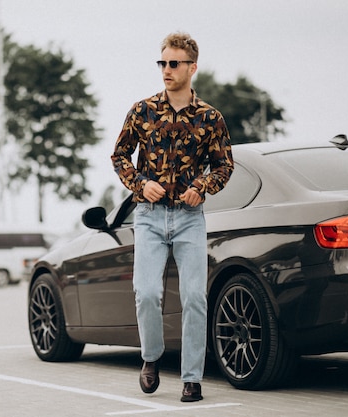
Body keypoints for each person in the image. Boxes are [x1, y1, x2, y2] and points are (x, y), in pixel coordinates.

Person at [111, 32, 233, 402]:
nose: (166, 69)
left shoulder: (210, 117)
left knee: (194, 296)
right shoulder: (142, 110)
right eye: (162, 62)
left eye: (174, 63)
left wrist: (204, 186)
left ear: (192, 67)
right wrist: (140, 183)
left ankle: (192, 378)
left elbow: (224, 165)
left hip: (189, 218)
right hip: (148, 216)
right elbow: (119, 156)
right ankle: (150, 359)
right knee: (146, 292)